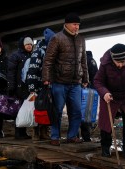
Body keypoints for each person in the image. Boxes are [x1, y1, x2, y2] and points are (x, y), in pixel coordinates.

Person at [42, 12, 89, 146]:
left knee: (77, 111)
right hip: (59, 82)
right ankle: (55, 136)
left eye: (78, 25)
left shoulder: (81, 39)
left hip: (76, 83)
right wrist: (46, 78)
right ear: (66, 24)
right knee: (57, 111)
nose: (77, 27)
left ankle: (72, 136)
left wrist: (85, 77)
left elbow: (83, 60)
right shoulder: (57, 38)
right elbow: (48, 60)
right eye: (74, 24)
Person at [25, 28, 55, 141]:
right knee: (37, 108)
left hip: (50, 85)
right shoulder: (39, 51)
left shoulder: (54, 50)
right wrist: (32, 87)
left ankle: (44, 131)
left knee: (47, 108)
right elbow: (32, 69)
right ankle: (36, 132)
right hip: (38, 84)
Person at [7, 36, 34, 139]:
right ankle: (18, 133)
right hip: (19, 87)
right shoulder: (15, 56)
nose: (29, 46)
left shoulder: (32, 55)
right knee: (19, 110)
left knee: (26, 110)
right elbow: (11, 72)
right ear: (23, 45)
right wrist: (11, 87)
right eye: (27, 44)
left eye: (31, 44)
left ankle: (23, 132)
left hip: (28, 87)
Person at [79, 50, 98, 142]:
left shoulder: (85, 60)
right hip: (92, 91)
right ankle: (86, 137)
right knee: (87, 114)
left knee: (80, 112)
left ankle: (77, 136)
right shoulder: (93, 61)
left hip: (84, 90)